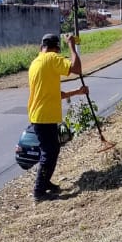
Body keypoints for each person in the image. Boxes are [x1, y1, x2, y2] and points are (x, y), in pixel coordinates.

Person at [27, 31, 87, 203]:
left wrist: (77, 92)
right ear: (55, 49)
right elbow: (76, 68)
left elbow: (54, 94)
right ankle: (39, 191)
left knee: (52, 150)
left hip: (39, 115)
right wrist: (72, 45)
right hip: (45, 116)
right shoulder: (52, 58)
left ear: (41, 47)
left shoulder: (36, 63)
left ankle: (45, 183)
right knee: (49, 152)